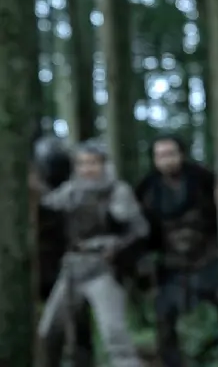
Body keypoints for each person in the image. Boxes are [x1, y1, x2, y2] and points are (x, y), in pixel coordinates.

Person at [135, 134, 218, 367]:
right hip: (172, 266)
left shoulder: (205, 180)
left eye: (171, 154)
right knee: (164, 318)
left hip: (208, 260)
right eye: (160, 156)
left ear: (181, 155)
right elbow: (138, 232)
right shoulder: (146, 190)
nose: (166, 160)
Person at [32, 139, 148, 367]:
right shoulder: (71, 190)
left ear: (104, 164)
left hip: (103, 269)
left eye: (93, 163)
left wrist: (116, 246)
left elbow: (139, 230)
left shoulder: (117, 190)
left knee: (115, 336)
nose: (88, 169)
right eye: (82, 163)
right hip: (72, 269)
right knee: (49, 332)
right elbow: (48, 208)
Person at [31, 135, 96, 367]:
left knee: (77, 328)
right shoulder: (34, 193)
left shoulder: (75, 193)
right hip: (43, 268)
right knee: (51, 331)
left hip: (69, 267)